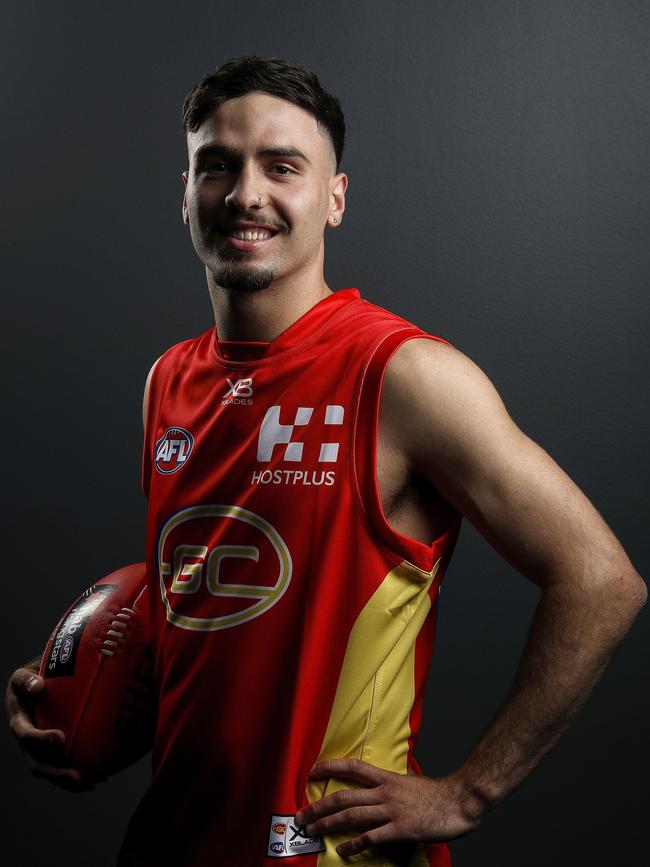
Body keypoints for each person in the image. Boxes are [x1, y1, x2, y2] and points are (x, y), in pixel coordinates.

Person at [6, 54, 646, 866]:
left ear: (334, 199)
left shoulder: (403, 375)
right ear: (186, 192)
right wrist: (73, 681)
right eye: (218, 166)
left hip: (331, 853)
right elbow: (204, 612)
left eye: (282, 167)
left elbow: (602, 580)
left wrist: (468, 791)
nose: (246, 194)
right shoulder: (167, 380)